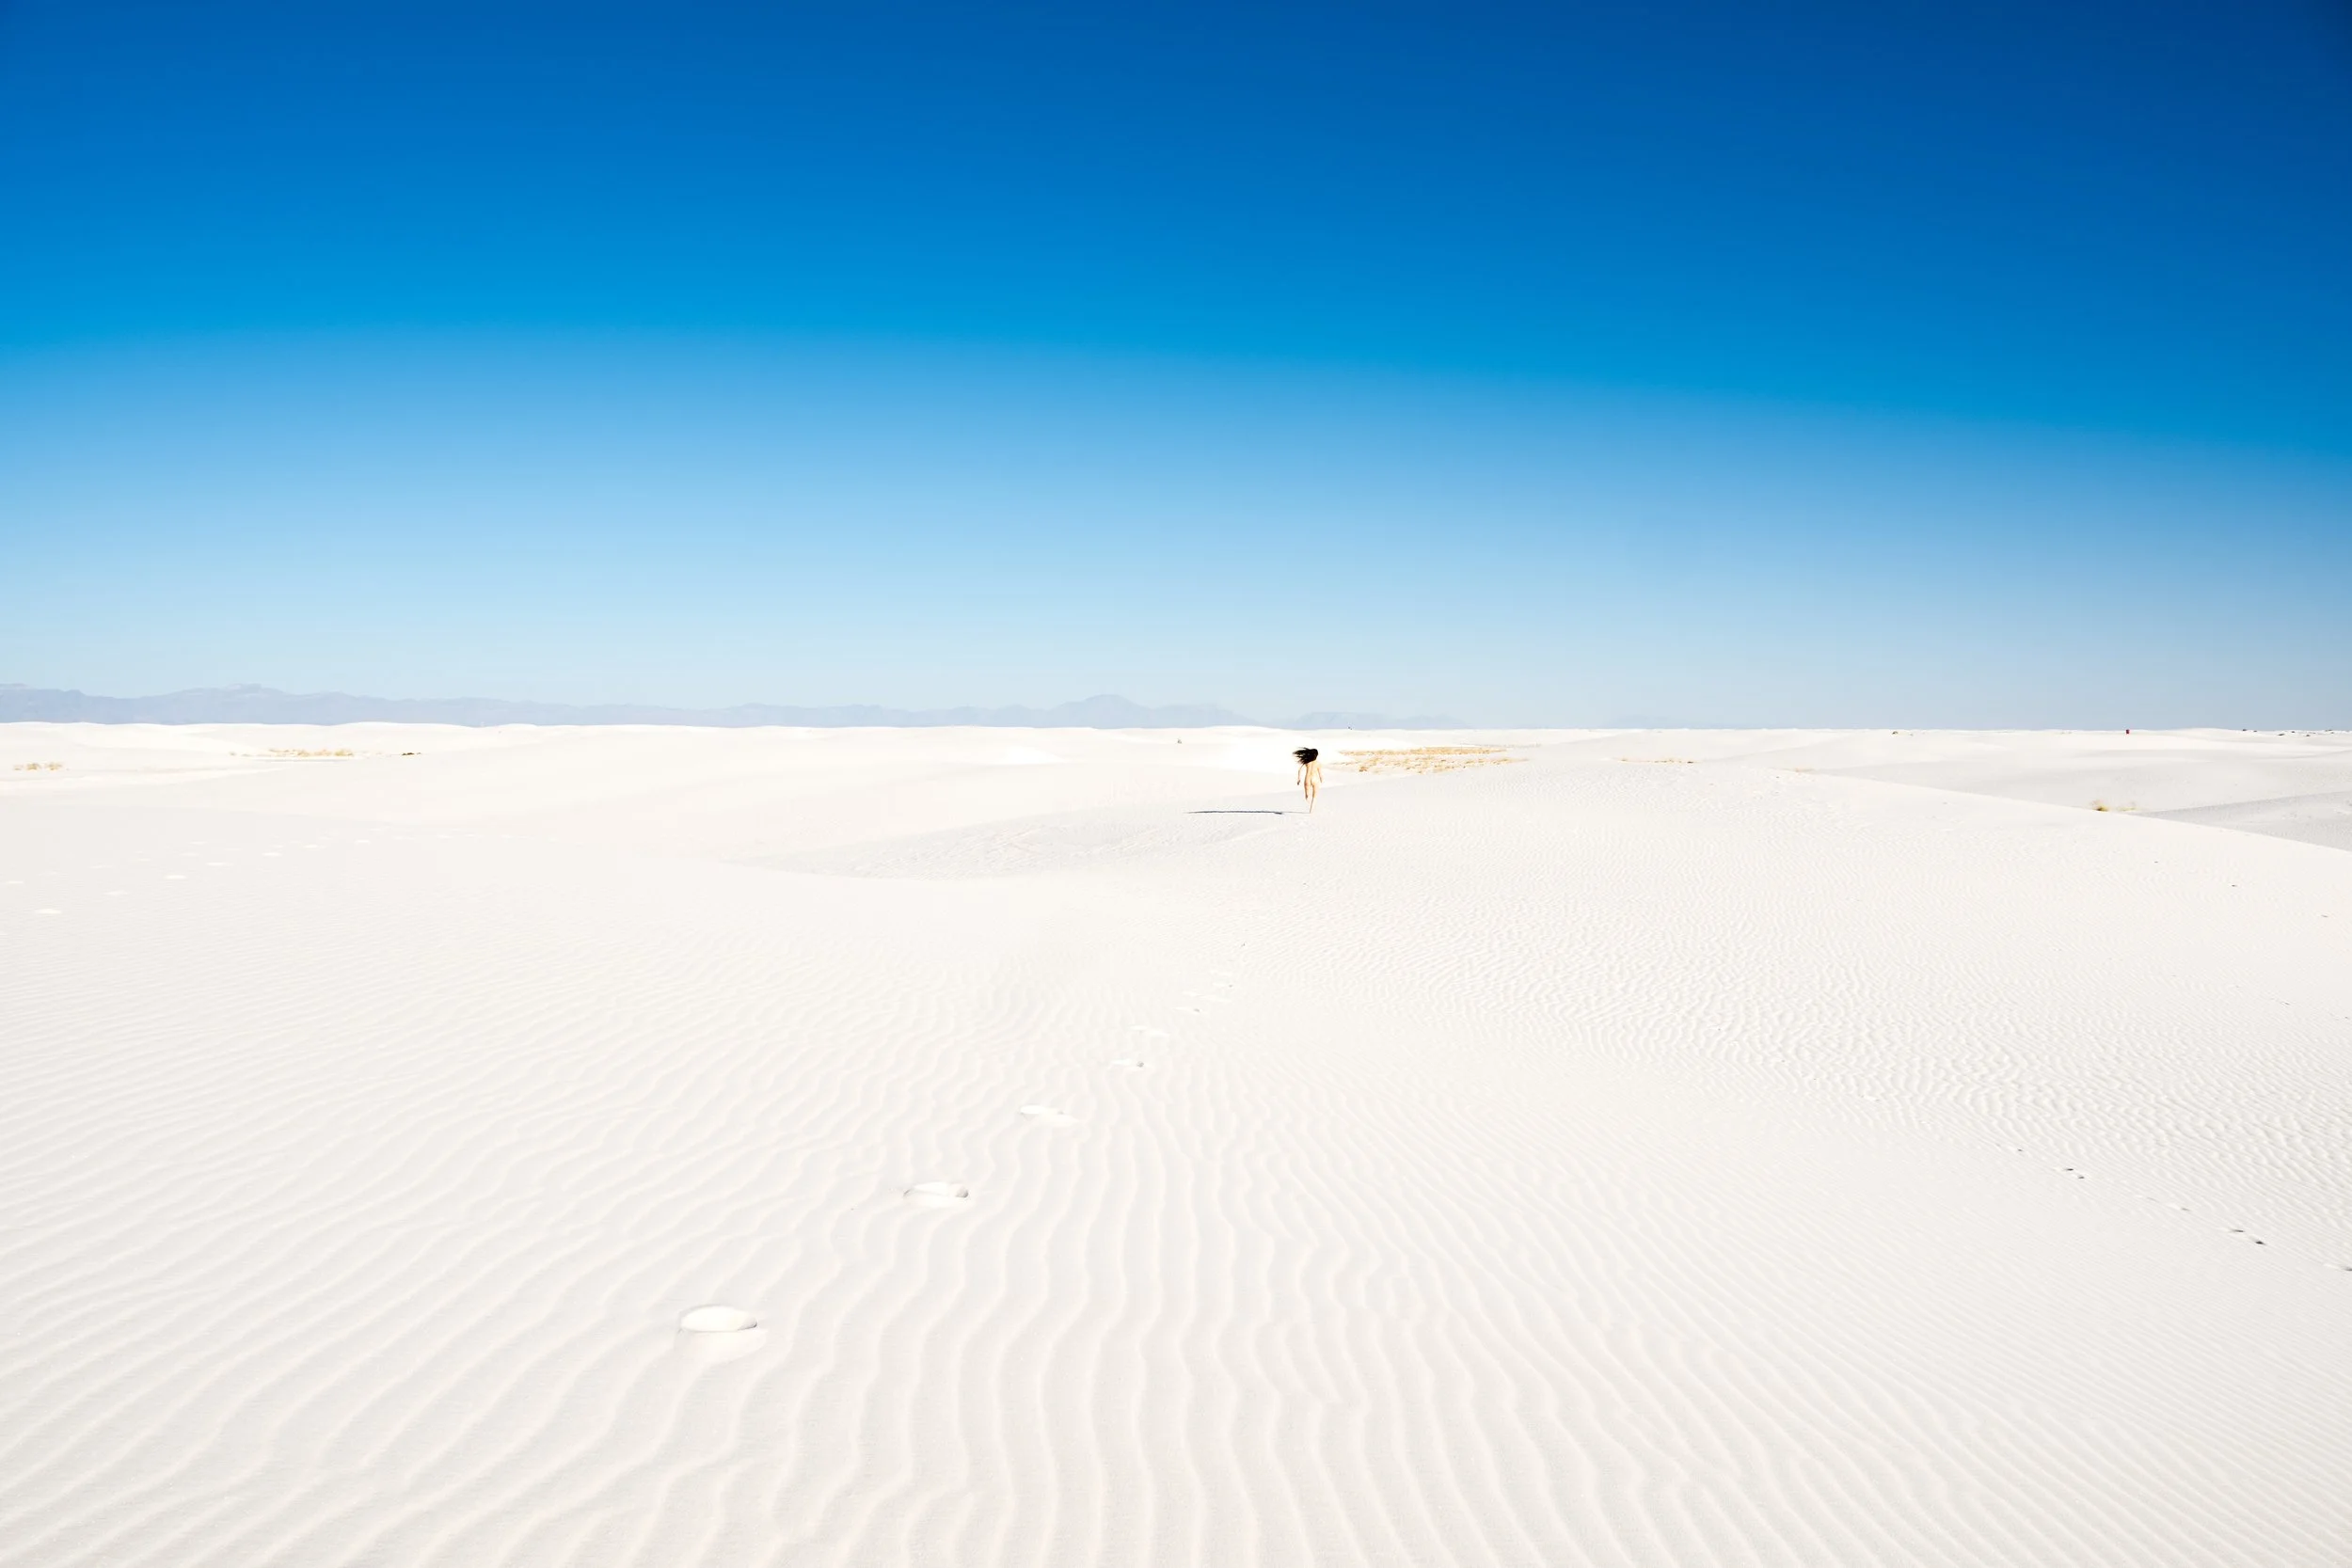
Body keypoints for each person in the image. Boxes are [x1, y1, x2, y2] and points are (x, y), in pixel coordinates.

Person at [1294, 746, 1323, 813]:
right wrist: (1321, 779)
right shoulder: (1318, 763)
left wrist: (1299, 778)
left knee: (1307, 796)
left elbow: (1300, 770)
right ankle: (1311, 810)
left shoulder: (1307, 762)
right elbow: (1320, 774)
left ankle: (1309, 803)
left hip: (1307, 779)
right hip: (1315, 779)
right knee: (1315, 796)